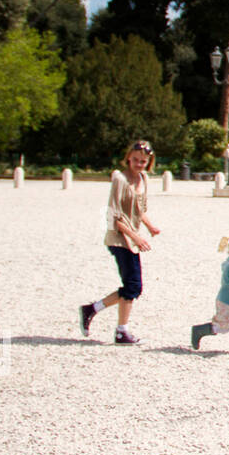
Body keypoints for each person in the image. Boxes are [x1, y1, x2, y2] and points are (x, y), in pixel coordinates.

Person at [78, 140, 161, 345]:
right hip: (119, 239)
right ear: (128, 158)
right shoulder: (120, 179)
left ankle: (93, 310)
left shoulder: (143, 178)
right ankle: (120, 330)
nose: (139, 164)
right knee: (133, 286)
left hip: (132, 239)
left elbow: (139, 209)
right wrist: (136, 237)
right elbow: (114, 217)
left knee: (132, 287)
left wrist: (150, 227)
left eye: (143, 161)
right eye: (135, 160)